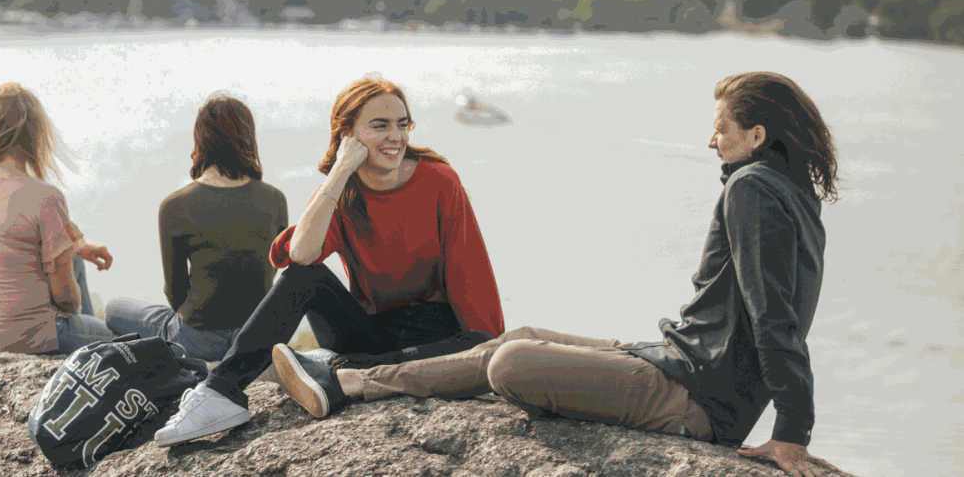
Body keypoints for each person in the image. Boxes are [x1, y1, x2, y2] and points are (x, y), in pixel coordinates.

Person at [272, 72, 840, 477]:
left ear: (758, 137)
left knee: (510, 363)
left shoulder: (751, 189)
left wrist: (793, 431)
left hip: (699, 397)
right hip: (678, 359)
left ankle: (346, 381)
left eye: (722, 128)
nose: (711, 140)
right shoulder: (794, 195)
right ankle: (347, 382)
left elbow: (775, 317)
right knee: (518, 337)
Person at [155, 76, 505, 445]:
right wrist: (339, 172)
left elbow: (470, 274)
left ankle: (337, 371)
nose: (396, 137)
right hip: (372, 333)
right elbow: (301, 255)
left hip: (434, 334)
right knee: (304, 275)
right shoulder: (342, 192)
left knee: (479, 341)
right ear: (348, 135)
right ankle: (221, 392)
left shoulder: (440, 181)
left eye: (403, 124)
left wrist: (489, 352)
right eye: (380, 125)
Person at [104, 94, 289, 362]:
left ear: (200, 139)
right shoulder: (275, 198)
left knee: (114, 308)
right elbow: (269, 272)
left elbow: (175, 291)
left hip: (197, 340)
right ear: (249, 138)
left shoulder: (175, 205)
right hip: (254, 336)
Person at [0, 82, 116, 355]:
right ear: (36, 136)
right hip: (27, 336)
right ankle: (90, 361)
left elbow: (5, 247)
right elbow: (66, 302)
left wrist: (74, 247)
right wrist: (74, 308)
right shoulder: (45, 197)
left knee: (72, 258)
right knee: (122, 343)